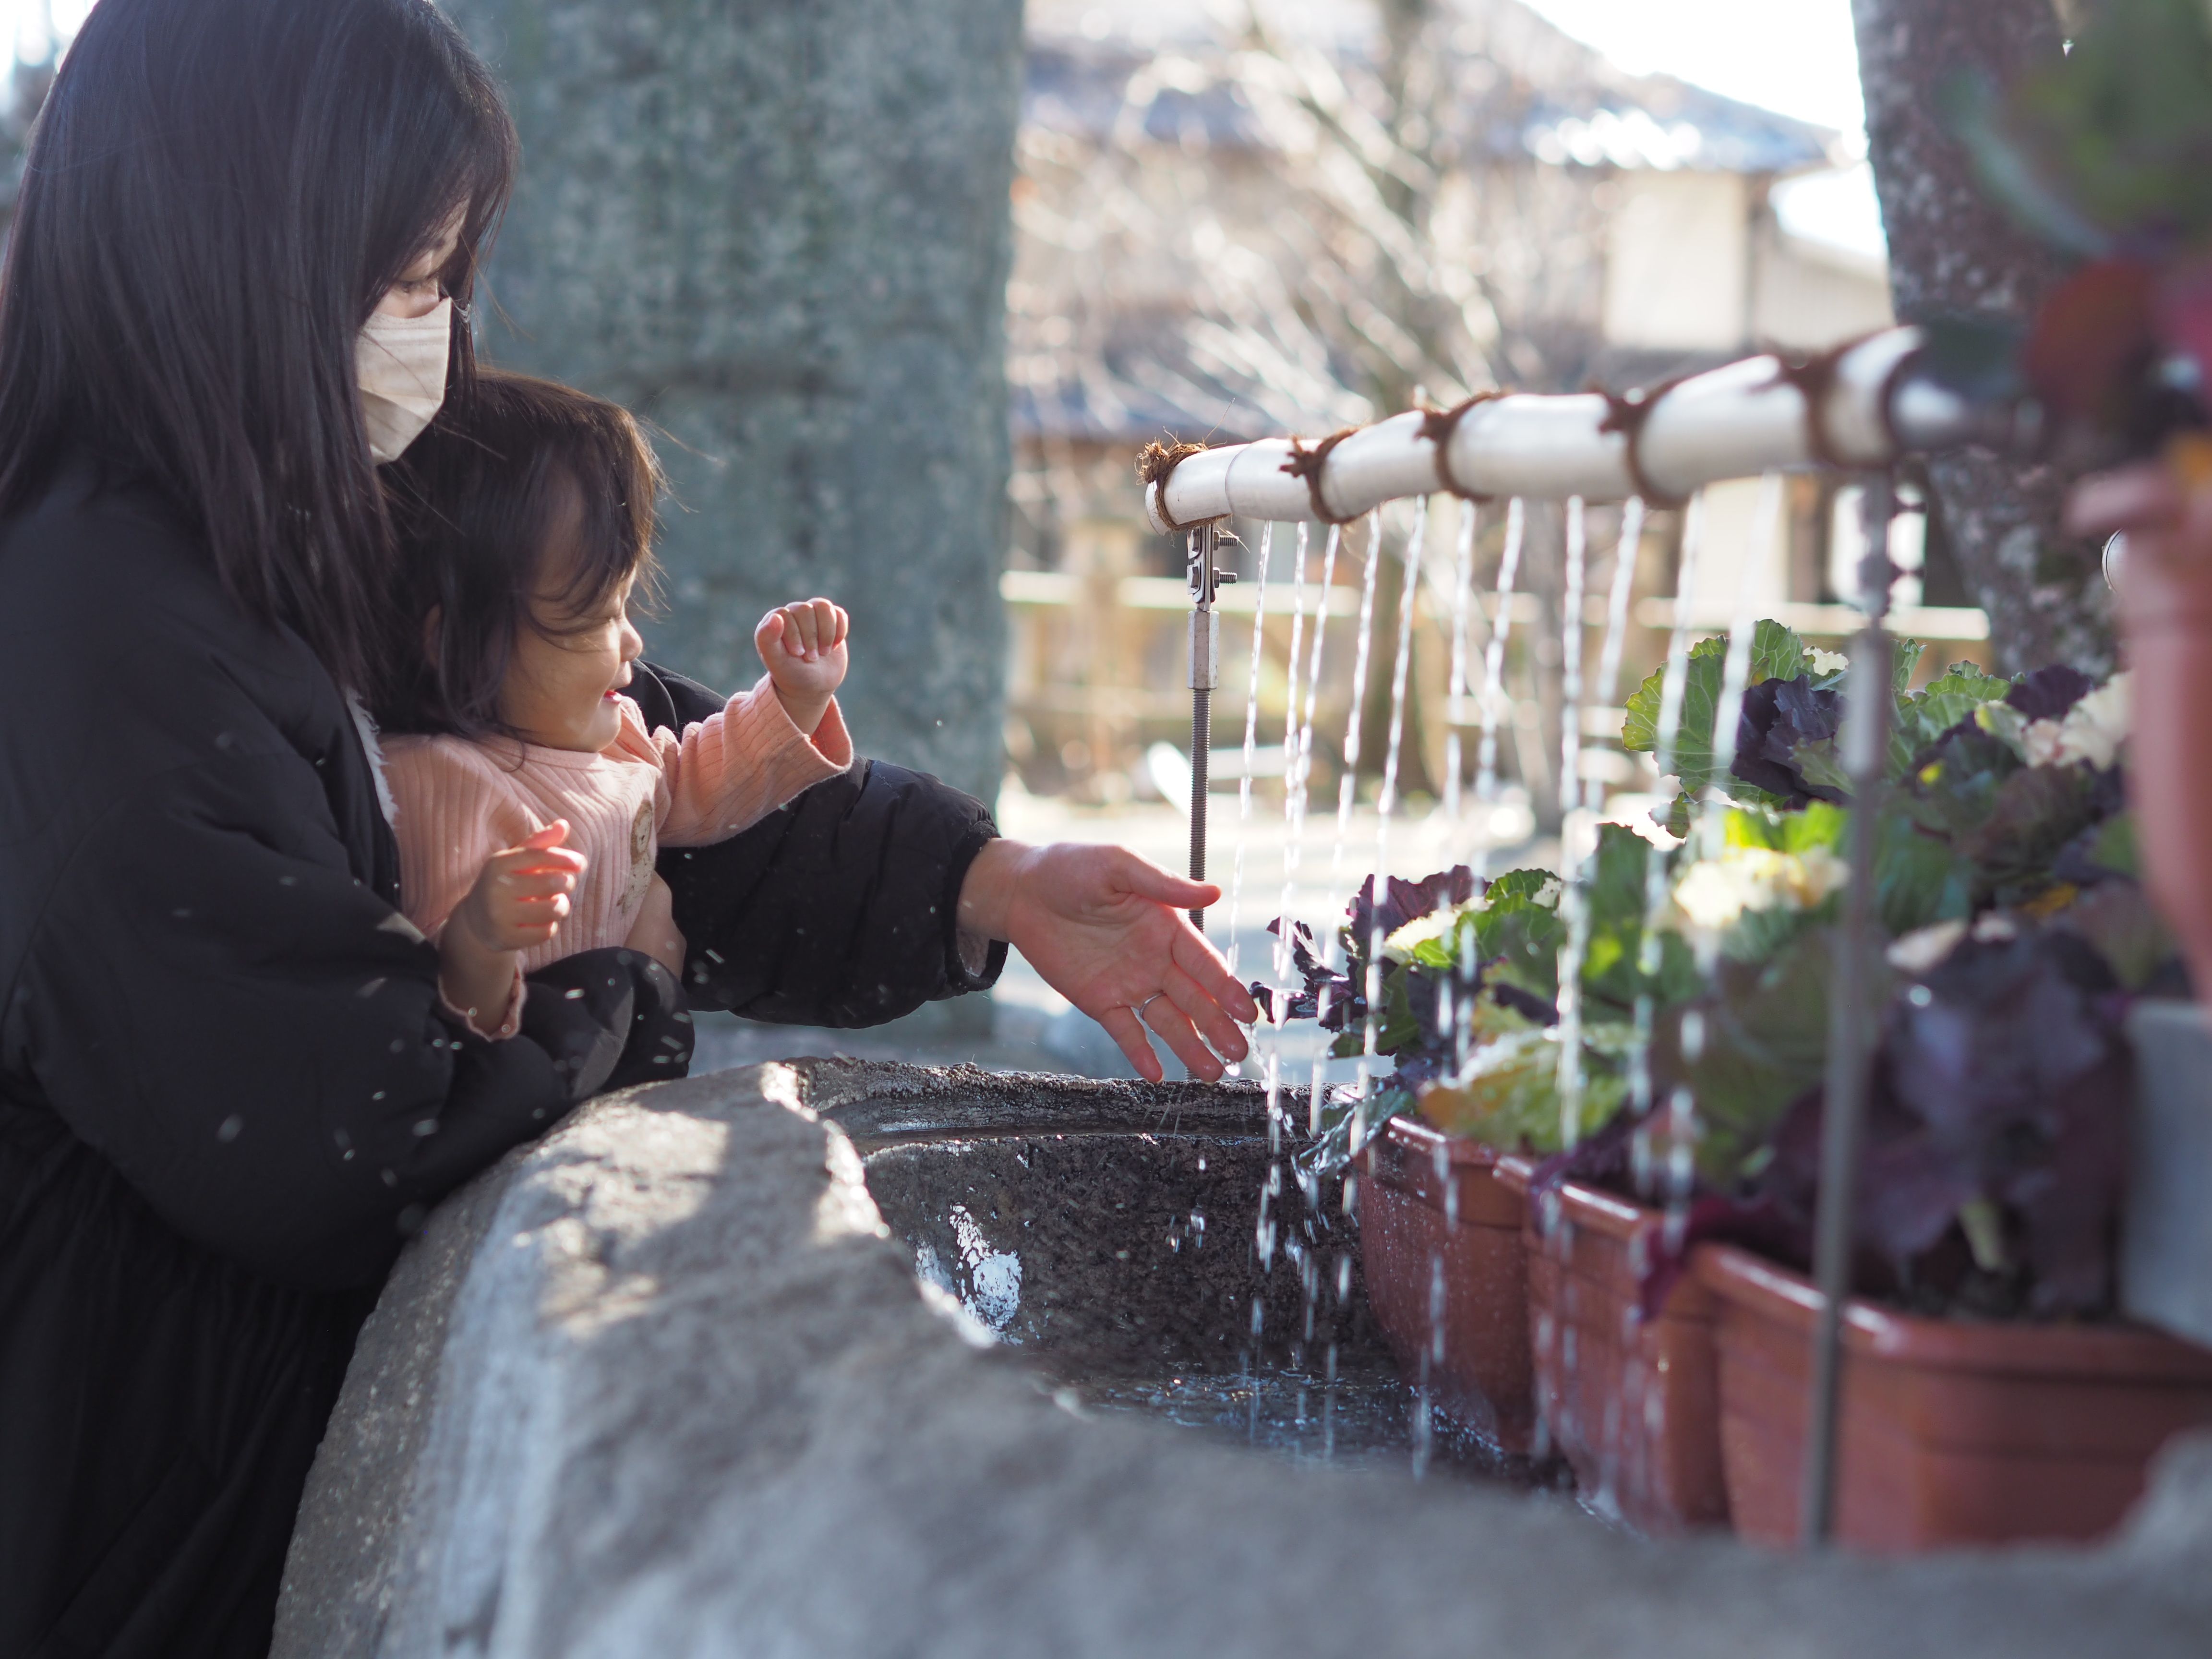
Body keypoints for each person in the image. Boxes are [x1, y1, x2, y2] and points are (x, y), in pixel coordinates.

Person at [0, 0, 1256, 1653]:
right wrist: (628, 1002)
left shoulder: (308, 508)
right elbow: (329, 1121)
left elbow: (624, 766)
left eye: (451, 276)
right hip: (138, 1513)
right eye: (411, 277)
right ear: (248, 258)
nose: (441, 340)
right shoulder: (97, 625)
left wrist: (982, 878)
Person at [370, 372, 854, 1042]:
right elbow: (440, 1024)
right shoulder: (441, 782)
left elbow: (696, 784)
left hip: (621, 1066)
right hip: (533, 1102)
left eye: (624, 606)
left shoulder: (603, 738)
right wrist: (479, 940)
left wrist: (793, 701)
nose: (633, 640)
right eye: (599, 615)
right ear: (460, 642)